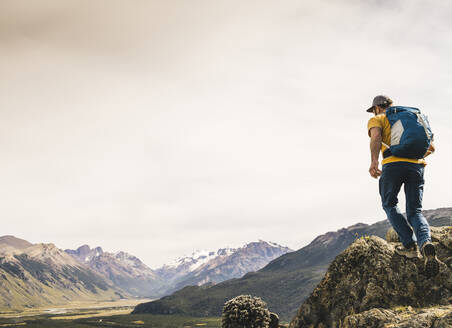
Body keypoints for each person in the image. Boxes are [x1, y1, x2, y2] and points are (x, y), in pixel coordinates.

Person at [366, 95, 439, 277]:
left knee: (389, 204)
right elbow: (431, 148)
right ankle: (425, 243)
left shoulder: (378, 119)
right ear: (391, 105)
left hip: (392, 165)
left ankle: (410, 245)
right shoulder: (411, 118)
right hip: (417, 166)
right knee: (415, 211)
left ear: (376, 108)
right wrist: (411, 159)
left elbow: (375, 137)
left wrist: (374, 162)